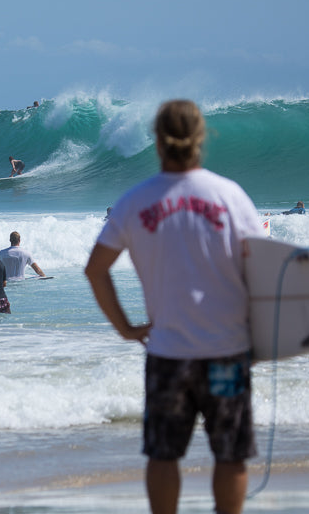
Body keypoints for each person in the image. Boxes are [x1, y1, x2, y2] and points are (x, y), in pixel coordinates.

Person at [84, 99, 263, 514]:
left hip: (167, 354)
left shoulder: (135, 201)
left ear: (157, 140)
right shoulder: (229, 196)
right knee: (230, 454)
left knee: (164, 455)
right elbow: (262, 268)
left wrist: (126, 328)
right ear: (202, 137)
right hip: (226, 351)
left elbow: (95, 270)